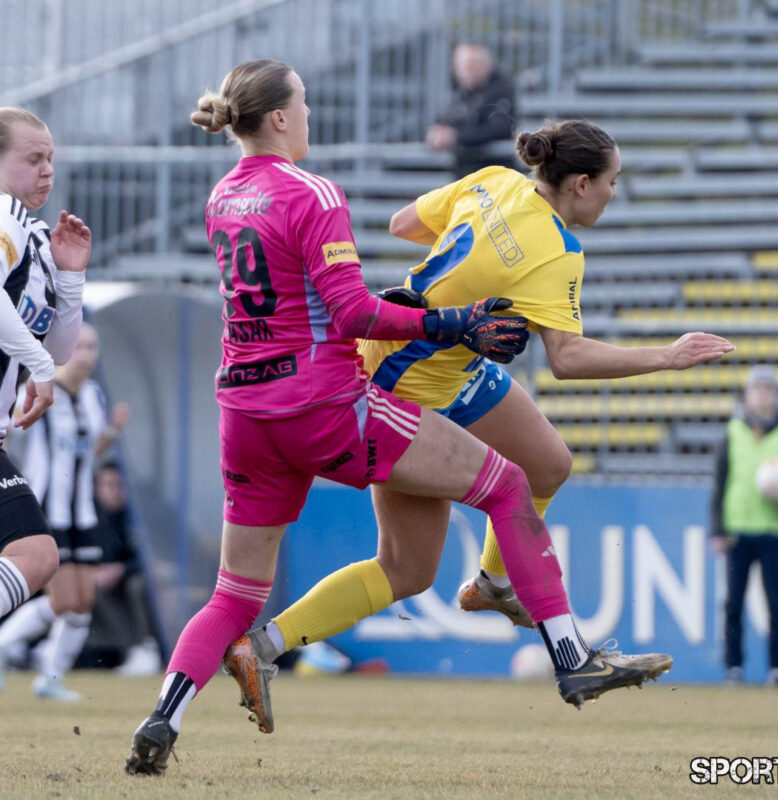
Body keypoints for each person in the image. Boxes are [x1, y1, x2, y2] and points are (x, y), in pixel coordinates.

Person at [124, 57, 535, 776]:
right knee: (503, 480)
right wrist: (452, 323)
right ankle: (570, 651)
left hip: (246, 410)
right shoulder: (312, 192)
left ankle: (163, 718)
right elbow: (348, 314)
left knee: (232, 593)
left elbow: (298, 298)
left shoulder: (222, 194)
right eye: (304, 103)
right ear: (279, 117)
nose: (311, 115)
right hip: (322, 402)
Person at [236, 121, 735, 713]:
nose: (614, 193)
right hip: (406, 387)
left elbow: (404, 225)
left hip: (448, 366)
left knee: (549, 463)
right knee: (406, 569)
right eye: (612, 182)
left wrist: (469, 270)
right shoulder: (558, 252)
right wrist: (668, 356)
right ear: (579, 184)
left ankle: (495, 585)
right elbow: (568, 360)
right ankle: (265, 644)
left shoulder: (494, 181)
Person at [0, 107, 90, 645]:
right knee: (36, 553)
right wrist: (37, 369)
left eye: (51, 159)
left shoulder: (32, 236)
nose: (47, 171)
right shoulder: (2, 215)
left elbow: (57, 347)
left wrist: (71, 277)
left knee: (36, 554)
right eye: (33, 159)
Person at [0, 323, 129, 699]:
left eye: (93, 347)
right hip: (46, 507)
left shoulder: (92, 396)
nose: (87, 355)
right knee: (60, 600)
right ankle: (6, 648)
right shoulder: (34, 391)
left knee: (81, 602)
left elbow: (91, 452)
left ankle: (49, 678)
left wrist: (113, 433)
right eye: (81, 347)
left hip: (82, 512)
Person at [709, 365, 778, 686]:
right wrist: (716, 529)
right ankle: (734, 667)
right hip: (737, 532)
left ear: (775, 394)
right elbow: (720, 484)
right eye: (757, 389)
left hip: (773, 530)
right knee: (733, 603)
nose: (762, 394)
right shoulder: (733, 432)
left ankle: (777, 669)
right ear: (747, 395)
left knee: (777, 604)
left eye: (768, 389)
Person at [90, 461, 161, 676]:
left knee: (137, 585)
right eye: (107, 484)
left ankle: (145, 648)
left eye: (119, 484)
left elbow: (155, 558)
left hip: (139, 582)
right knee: (82, 584)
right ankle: (131, 649)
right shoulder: (90, 517)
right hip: (106, 587)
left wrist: (121, 569)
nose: (114, 491)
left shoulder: (143, 517)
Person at [426, 43, 516, 178]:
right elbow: (445, 120)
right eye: (465, 64)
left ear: (488, 65)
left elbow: (500, 128)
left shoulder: (501, 89)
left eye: (475, 63)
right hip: (463, 173)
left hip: (494, 176)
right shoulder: (460, 93)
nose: (470, 69)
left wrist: (456, 136)